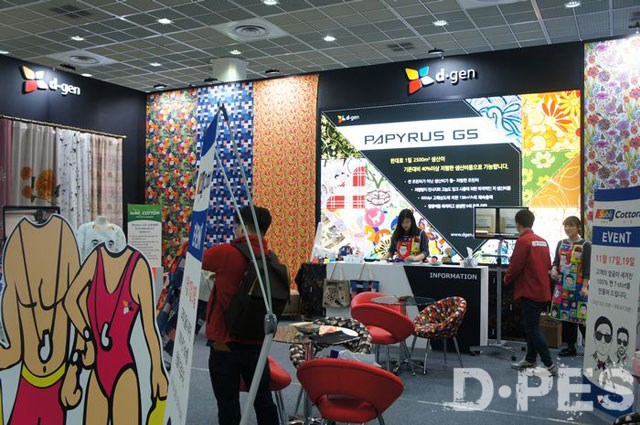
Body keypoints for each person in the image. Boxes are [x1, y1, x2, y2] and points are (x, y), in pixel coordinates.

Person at [203, 205, 279, 425]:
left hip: (224, 343)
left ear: (243, 226)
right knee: (263, 400)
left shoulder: (226, 253)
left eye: (237, 225)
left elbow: (196, 257)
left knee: (228, 404)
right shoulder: (271, 259)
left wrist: (187, 243)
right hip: (257, 343)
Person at [505, 209, 557, 376]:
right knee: (532, 327)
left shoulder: (523, 241)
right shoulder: (542, 241)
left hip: (529, 290)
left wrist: (507, 278)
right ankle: (530, 358)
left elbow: (516, 265)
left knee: (532, 329)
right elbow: (548, 264)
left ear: (517, 224)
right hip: (543, 290)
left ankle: (549, 364)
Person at [550, 216, 591, 357]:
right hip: (562, 286)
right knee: (566, 317)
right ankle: (570, 347)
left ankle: (591, 348)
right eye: (566, 226)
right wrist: (554, 270)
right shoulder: (561, 243)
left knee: (581, 317)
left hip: (579, 286)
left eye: (571, 226)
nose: (567, 228)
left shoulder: (585, 245)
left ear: (578, 227)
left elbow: (587, 268)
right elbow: (556, 262)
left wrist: (585, 286)